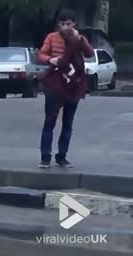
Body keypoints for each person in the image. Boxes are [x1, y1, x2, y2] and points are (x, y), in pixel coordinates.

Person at [37, 9, 94, 169]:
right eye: (62, 24)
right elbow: (41, 54)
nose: (65, 27)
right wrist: (50, 59)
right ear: (59, 25)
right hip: (55, 82)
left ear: (74, 24)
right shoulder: (52, 37)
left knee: (68, 122)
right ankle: (45, 157)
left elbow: (89, 53)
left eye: (68, 24)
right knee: (50, 120)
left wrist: (79, 38)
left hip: (73, 83)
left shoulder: (79, 38)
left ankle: (62, 157)